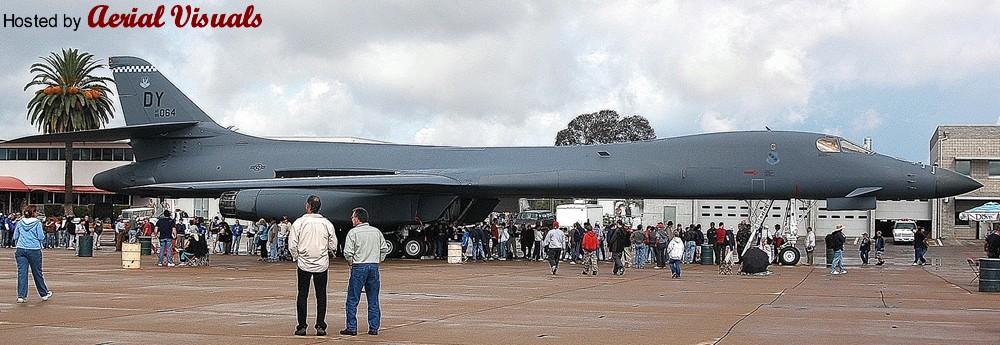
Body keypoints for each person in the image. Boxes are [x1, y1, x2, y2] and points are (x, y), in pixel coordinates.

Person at [288, 195, 338, 336]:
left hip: (304, 263)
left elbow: (292, 244)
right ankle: (320, 326)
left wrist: (296, 257)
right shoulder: (326, 223)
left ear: (308, 207)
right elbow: (333, 243)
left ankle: (302, 326)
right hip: (321, 264)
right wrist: (328, 252)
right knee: (321, 295)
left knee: (302, 295)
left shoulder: (299, 222)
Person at [341, 207, 389, 336]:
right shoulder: (376, 232)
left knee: (352, 299)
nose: (352, 219)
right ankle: (374, 327)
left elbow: (347, 252)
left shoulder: (353, 233)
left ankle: (352, 327)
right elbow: (384, 248)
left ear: (357, 219)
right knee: (373, 299)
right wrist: (378, 260)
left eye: (352, 217)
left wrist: (351, 263)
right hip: (373, 267)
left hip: (359, 266)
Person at [13, 205, 52, 303]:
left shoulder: (20, 222)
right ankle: (43, 293)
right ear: (33, 213)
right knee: (37, 272)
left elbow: (15, 236)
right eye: (36, 212)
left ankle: (21, 296)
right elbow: (41, 236)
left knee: (22, 273)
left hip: (21, 248)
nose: (37, 213)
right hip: (34, 249)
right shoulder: (37, 223)